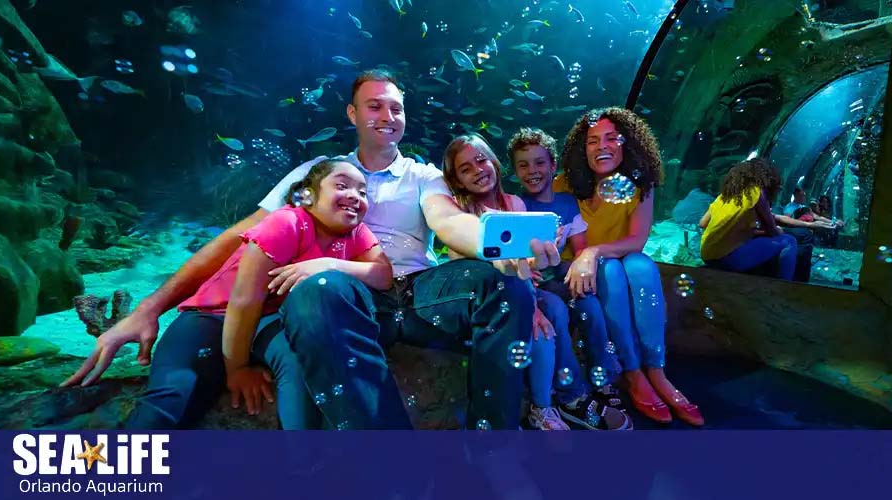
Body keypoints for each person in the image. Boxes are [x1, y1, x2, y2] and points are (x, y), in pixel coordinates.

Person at [64, 69, 560, 430]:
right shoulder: (318, 172)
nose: (388, 115)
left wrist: (497, 246)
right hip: (334, 299)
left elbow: (449, 222)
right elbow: (239, 238)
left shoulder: (424, 175)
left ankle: (493, 445)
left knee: (500, 285)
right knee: (319, 287)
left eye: (397, 107)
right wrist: (151, 307)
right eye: (374, 105)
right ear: (351, 113)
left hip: (409, 292)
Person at [124, 160, 390, 429]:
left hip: (271, 321)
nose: (355, 196)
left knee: (299, 365)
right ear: (308, 195)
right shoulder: (286, 222)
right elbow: (244, 301)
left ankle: (304, 462)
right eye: (342, 186)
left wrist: (329, 264)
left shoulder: (354, 233)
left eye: (362, 192)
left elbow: (383, 274)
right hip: (212, 317)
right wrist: (237, 370)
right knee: (172, 392)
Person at [442, 133, 631, 431]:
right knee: (550, 310)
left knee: (555, 307)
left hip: (523, 288)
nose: (478, 170)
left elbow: (526, 262)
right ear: (456, 180)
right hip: (490, 297)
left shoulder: (515, 202)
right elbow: (467, 270)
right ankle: (559, 401)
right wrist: (528, 306)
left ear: (493, 162)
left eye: (481, 160)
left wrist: (536, 277)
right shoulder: (458, 215)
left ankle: (563, 400)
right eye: (466, 168)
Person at [556, 107, 704, 426]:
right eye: (593, 141)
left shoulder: (641, 185)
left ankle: (657, 369)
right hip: (582, 274)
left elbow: (636, 240)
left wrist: (593, 251)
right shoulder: (563, 185)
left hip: (616, 262)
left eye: (612, 138)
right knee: (612, 270)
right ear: (582, 149)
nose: (602, 147)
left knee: (641, 264)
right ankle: (632, 372)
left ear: (627, 144)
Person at [507, 127, 630, 422]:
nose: (532, 171)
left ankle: (604, 376)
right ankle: (569, 393)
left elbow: (580, 252)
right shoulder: (517, 206)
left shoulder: (567, 203)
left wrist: (580, 272)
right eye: (523, 165)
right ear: (514, 171)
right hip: (533, 282)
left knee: (588, 303)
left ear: (553, 166)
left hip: (556, 275)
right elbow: (519, 262)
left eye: (539, 163)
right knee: (558, 309)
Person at [699, 158, 798, 281]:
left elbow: (703, 223)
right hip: (728, 259)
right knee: (789, 241)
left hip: (706, 255)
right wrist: (778, 231)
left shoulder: (724, 195)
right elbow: (771, 229)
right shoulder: (756, 192)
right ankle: (785, 286)